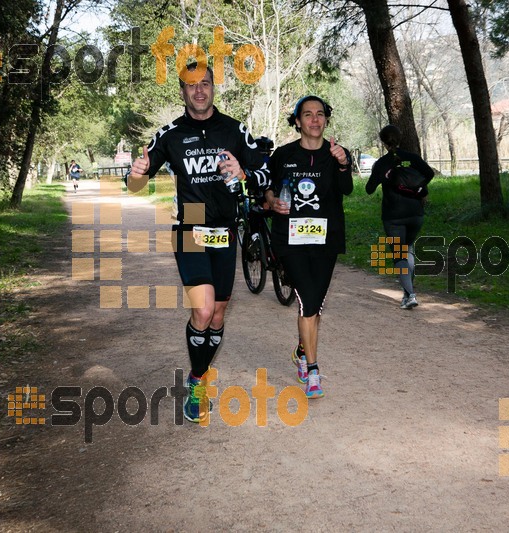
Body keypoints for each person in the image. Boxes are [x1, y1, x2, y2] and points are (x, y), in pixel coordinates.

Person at [129, 62, 265, 423]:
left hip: (225, 230)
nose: (199, 90)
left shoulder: (235, 130)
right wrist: (136, 174)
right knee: (203, 310)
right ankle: (196, 383)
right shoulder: (170, 134)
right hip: (189, 228)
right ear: (182, 91)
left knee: (218, 314)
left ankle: (199, 375)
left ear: (213, 87)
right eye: (191, 85)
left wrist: (245, 172)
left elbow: (265, 172)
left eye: (205, 83)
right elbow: (137, 184)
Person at [263, 96, 353, 398]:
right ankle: (312, 371)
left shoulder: (337, 153)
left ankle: (302, 350)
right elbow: (266, 187)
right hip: (291, 240)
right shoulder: (283, 155)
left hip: (326, 240)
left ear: (326, 120)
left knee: (314, 303)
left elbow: (347, 190)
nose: (314, 120)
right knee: (308, 301)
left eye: (320, 114)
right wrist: (272, 201)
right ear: (298, 121)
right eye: (307, 114)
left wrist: (342, 165)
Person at [365, 124, 435, 309]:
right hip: (415, 214)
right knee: (407, 249)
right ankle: (407, 293)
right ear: (400, 138)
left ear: (383, 142)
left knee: (399, 254)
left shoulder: (381, 164)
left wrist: (383, 177)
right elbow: (429, 173)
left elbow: (369, 189)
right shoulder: (412, 158)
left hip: (393, 216)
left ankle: (410, 294)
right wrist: (418, 186)